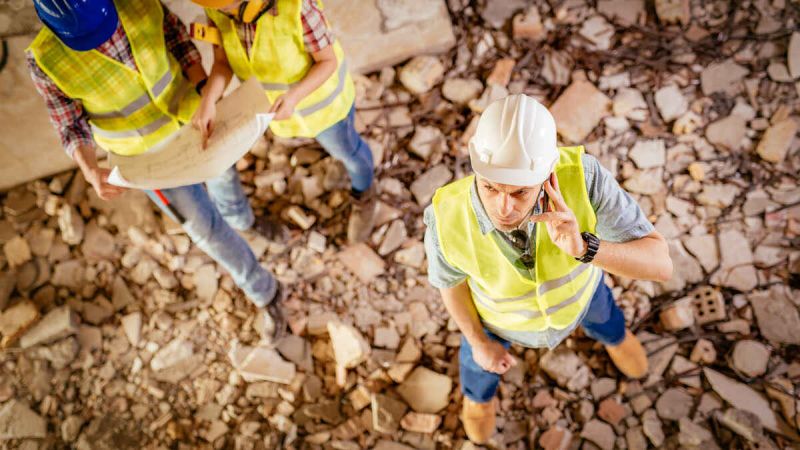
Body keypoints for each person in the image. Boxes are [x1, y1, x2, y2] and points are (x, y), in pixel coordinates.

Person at [27, 0, 287, 342]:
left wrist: (203, 90)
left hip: (194, 121)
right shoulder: (44, 60)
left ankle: (244, 220)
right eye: (85, 39)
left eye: (103, 31)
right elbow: (69, 123)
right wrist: (90, 169)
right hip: (149, 161)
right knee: (205, 229)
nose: (101, 42)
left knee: (223, 172)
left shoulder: (140, 3)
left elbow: (178, 42)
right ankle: (265, 292)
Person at [423, 94, 673, 444]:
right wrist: (479, 342)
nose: (504, 207)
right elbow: (449, 285)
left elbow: (660, 264)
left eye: (520, 193)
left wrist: (585, 248)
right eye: (491, 187)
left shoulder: (583, 179)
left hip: (581, 299)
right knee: (477, 362)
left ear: (547, 173)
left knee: (608, 321)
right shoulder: (445, 215)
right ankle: (479, 397)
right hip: (495, 321)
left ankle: (615, 339)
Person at [189, 0, 377, 243]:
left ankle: (365, 193)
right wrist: (209, 98)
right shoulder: (216, 6)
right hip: (283, 113)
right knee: (338, 150)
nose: (223, 13)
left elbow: (327, 61)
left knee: (349, 153)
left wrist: (294, 97)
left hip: (325, 110)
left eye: (227, 7)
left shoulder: (297, 7)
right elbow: (223, 63)